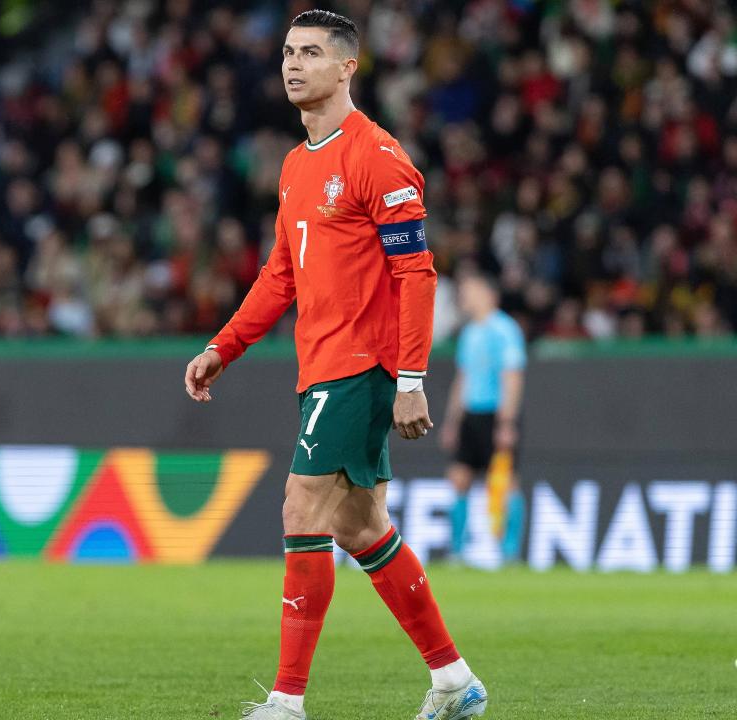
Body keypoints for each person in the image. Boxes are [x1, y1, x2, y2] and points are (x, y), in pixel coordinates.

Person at [183, 11, 487, 720]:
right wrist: (223, 346)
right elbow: (280, 275)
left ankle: (287, 701)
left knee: (301, 505)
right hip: (320, 364)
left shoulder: (377, 157)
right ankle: (453, 681)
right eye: (289, 51)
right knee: (361, 527)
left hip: (362, 365)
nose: (294, 64)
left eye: (312, 53)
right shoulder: (296, 165)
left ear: (348, 67)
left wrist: (411, 378)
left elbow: (416, 273)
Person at [441, 274, 527, 564]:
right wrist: (453, 421)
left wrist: (507, 422)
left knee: (505, 481)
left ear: (489, 294)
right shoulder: (469, 332)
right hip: (471, 415)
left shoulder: (505, 329)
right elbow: (462, 378)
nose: (464, 296)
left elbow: (512, 377)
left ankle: (509, 553)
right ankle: (457, 551)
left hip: (495, 415)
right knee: (459, 479)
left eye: (470, 290)